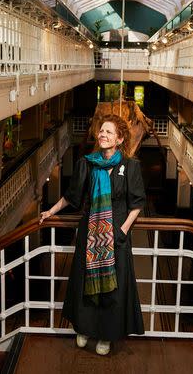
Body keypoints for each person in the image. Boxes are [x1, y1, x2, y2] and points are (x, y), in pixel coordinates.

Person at [39, 114, 145, 355]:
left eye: (108, 132)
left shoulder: (130, 166)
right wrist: (50, 211)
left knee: (111, 289)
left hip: (115, 237)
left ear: (119, 139)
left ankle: (106, 336)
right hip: (90, 235)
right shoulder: (86, 163)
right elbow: (72, 196)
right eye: (101, 131)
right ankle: (84, 329)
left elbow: (136, 203)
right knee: (86, 284)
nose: (103, 135)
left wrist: (122, 230)